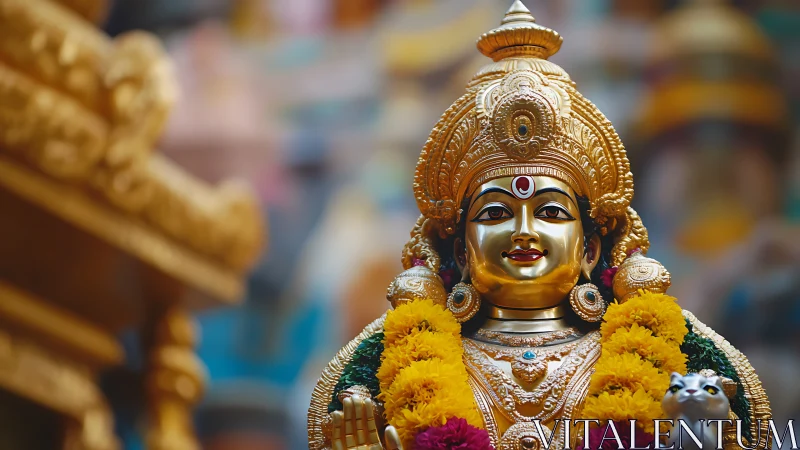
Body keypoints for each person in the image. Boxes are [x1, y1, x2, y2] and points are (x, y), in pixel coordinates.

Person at [307, 2, 770, 449]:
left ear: (590, 248)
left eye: (550, 211)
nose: (523, 229)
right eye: (494, 213)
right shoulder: (396, 372)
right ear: (463, 251)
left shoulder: (667, 365)